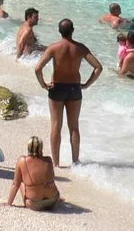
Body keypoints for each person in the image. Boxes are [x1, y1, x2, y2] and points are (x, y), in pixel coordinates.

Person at [33, 19, 103, 167]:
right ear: (73, 30)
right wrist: (87, 84)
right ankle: (76, 161)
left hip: (57, 88)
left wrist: (43, 84)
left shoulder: (53, 48)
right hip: (74, 89)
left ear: (59, 31)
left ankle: (56, 163)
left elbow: (37, 69)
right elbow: (98, 67)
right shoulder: (81, 48)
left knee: (56, 126)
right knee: (74, 127)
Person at [3, 136, 60, 210]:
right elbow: (51, 178)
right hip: (52, 200)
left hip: (34, 203)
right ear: (41, 148)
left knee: (21, 182)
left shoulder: (22, 161)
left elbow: (15, 184)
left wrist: (8, 203)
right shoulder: (48, 160)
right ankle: (58, 198)